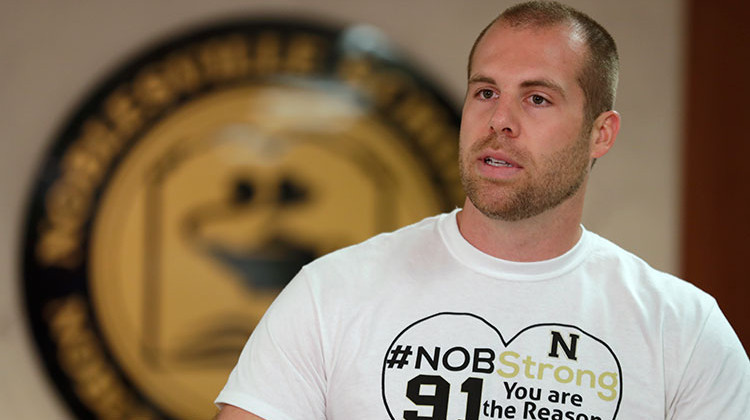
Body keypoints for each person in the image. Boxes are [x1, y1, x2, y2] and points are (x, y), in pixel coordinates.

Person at [214, 1, 750, 419]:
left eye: (537, 98)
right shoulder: (330, 294)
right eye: (486, 92)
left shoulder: (683, 330)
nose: (501, 121)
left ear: (601, 133)